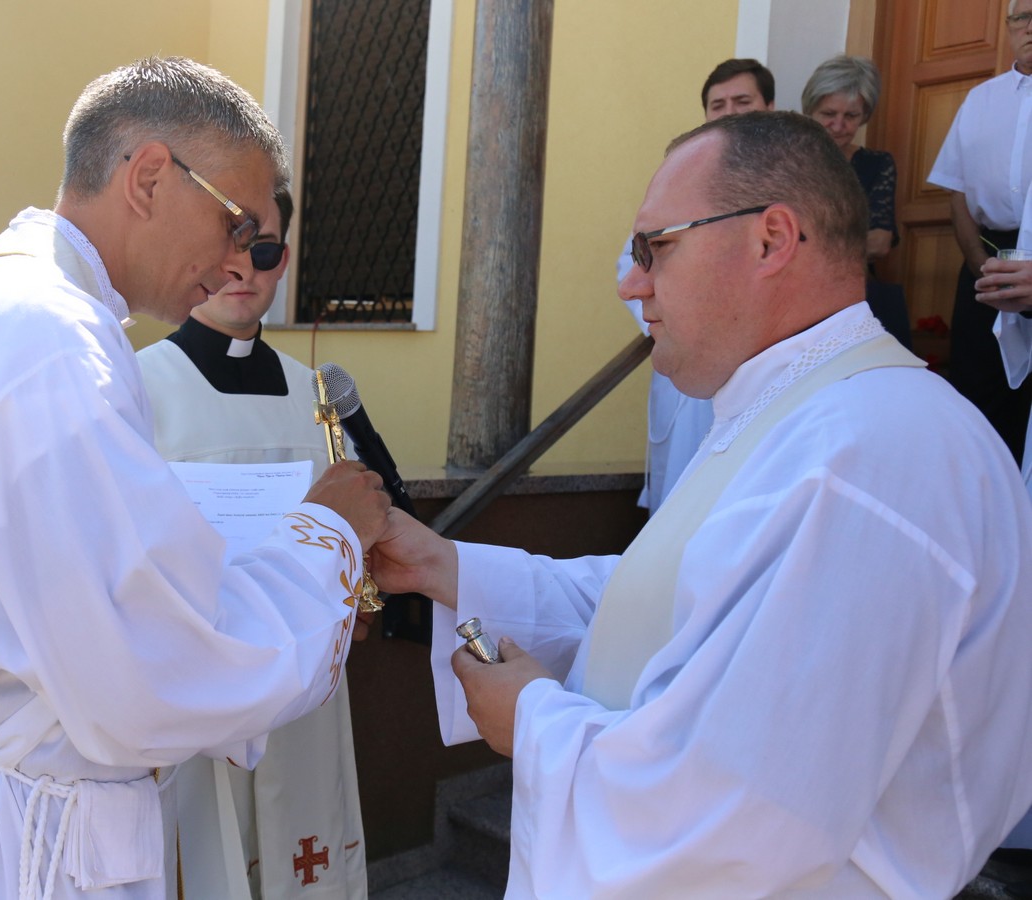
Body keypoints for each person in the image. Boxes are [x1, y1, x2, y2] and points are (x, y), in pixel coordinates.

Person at [371, 111, 1032, 897]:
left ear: (771, 239)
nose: (630, 281)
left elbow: (743, 814)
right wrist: (445, 567)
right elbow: (676, 613)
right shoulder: (796, 416)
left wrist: (537, 727)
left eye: (656, 247)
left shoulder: (863, 455)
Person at [0, 57, 391, 900]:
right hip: (36, 846)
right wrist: (330, 537)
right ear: (147, 177)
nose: (240, 262)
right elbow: (153, 660)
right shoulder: (51, 341)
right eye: (236, 225)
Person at [138, 186, 366, 899]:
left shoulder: (315, 395)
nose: (244, 270)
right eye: (229, 247)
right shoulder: (137, 384)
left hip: (305, 673)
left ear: (284, 259)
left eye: (262, 251)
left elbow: (353, 521)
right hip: (197, 676)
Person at [617, 58, 774, 510]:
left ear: (769, 107)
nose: (728, 113)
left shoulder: (795, 179)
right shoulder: (685, 176)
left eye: (741, 102)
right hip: (693, 372)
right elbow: (634, 255)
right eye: (716, 105)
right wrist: (675, 318)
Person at [927, 0, 1032, 463]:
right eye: (1023, 17)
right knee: (977, 391)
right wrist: (977, 263)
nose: (1031, 27)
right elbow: (956, 189)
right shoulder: (980, 100)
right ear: (1009, 28)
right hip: (987, 258)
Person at [803, 53, 912, 350]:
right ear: (810, 110)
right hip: (797, 296)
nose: (838, 125)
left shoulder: (877, 164)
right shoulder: (791, 164)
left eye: (850, 116)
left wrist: (804, 247)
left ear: (864, 115)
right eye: (829, 113)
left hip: (856, 296)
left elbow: (879, 242)